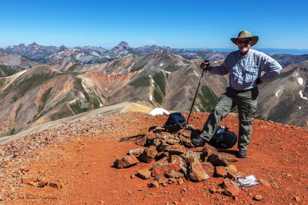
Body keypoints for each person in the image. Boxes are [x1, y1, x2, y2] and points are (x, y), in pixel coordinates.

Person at [192, 30, 283, 158]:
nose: (243, 43)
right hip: (232, 91)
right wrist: (209, 68)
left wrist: (261, 79)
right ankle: (204, 137)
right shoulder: (231, 56)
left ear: (250, 42)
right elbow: (223, 70)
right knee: (218, 111)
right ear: (237, 43)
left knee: (245, 121)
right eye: (240, 41)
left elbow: (277, 68)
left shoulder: (259, 56)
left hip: (249, 93)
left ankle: (243, 148)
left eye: (246, 41)